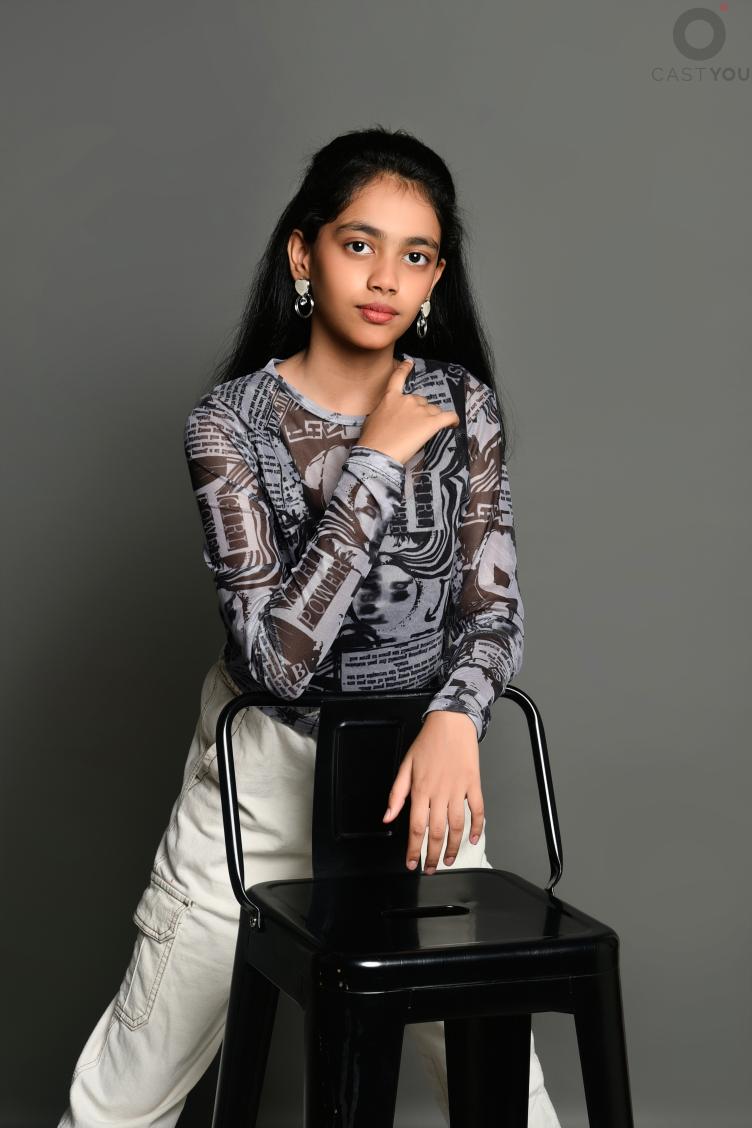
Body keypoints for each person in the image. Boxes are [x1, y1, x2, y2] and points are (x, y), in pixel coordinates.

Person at [57, 126, 561, 1127]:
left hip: (414, 777)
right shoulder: (228, 423)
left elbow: (492, 612)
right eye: (358, 243)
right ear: (303, 252)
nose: (385, 278)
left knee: (505, 1097)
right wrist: (374, 460)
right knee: (122, 1097)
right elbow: (275, 662)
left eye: (415, 255)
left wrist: (457, 716)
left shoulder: (463, 404)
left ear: (436, 277)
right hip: (260, 785)